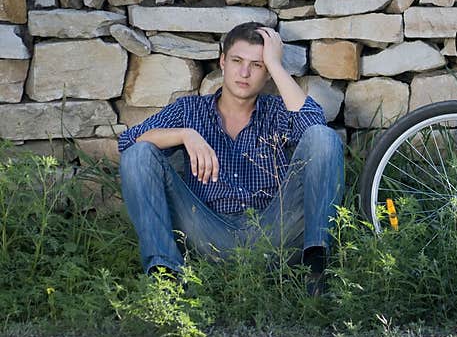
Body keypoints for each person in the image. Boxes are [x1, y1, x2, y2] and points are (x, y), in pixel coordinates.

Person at [117, 21, 344, 295]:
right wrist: (185, 135)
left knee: (323, 136)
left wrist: (275, 64)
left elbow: (315, 129)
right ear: (222, 61)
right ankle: (167, 280)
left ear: (267, 73)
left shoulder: (277, 111)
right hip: (206, 233)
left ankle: (317, 272)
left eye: (257, 65)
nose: (244, 72)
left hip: (273, 234)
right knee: (140, 155)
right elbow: (129, 143)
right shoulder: (190, 111)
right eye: (237, 60)